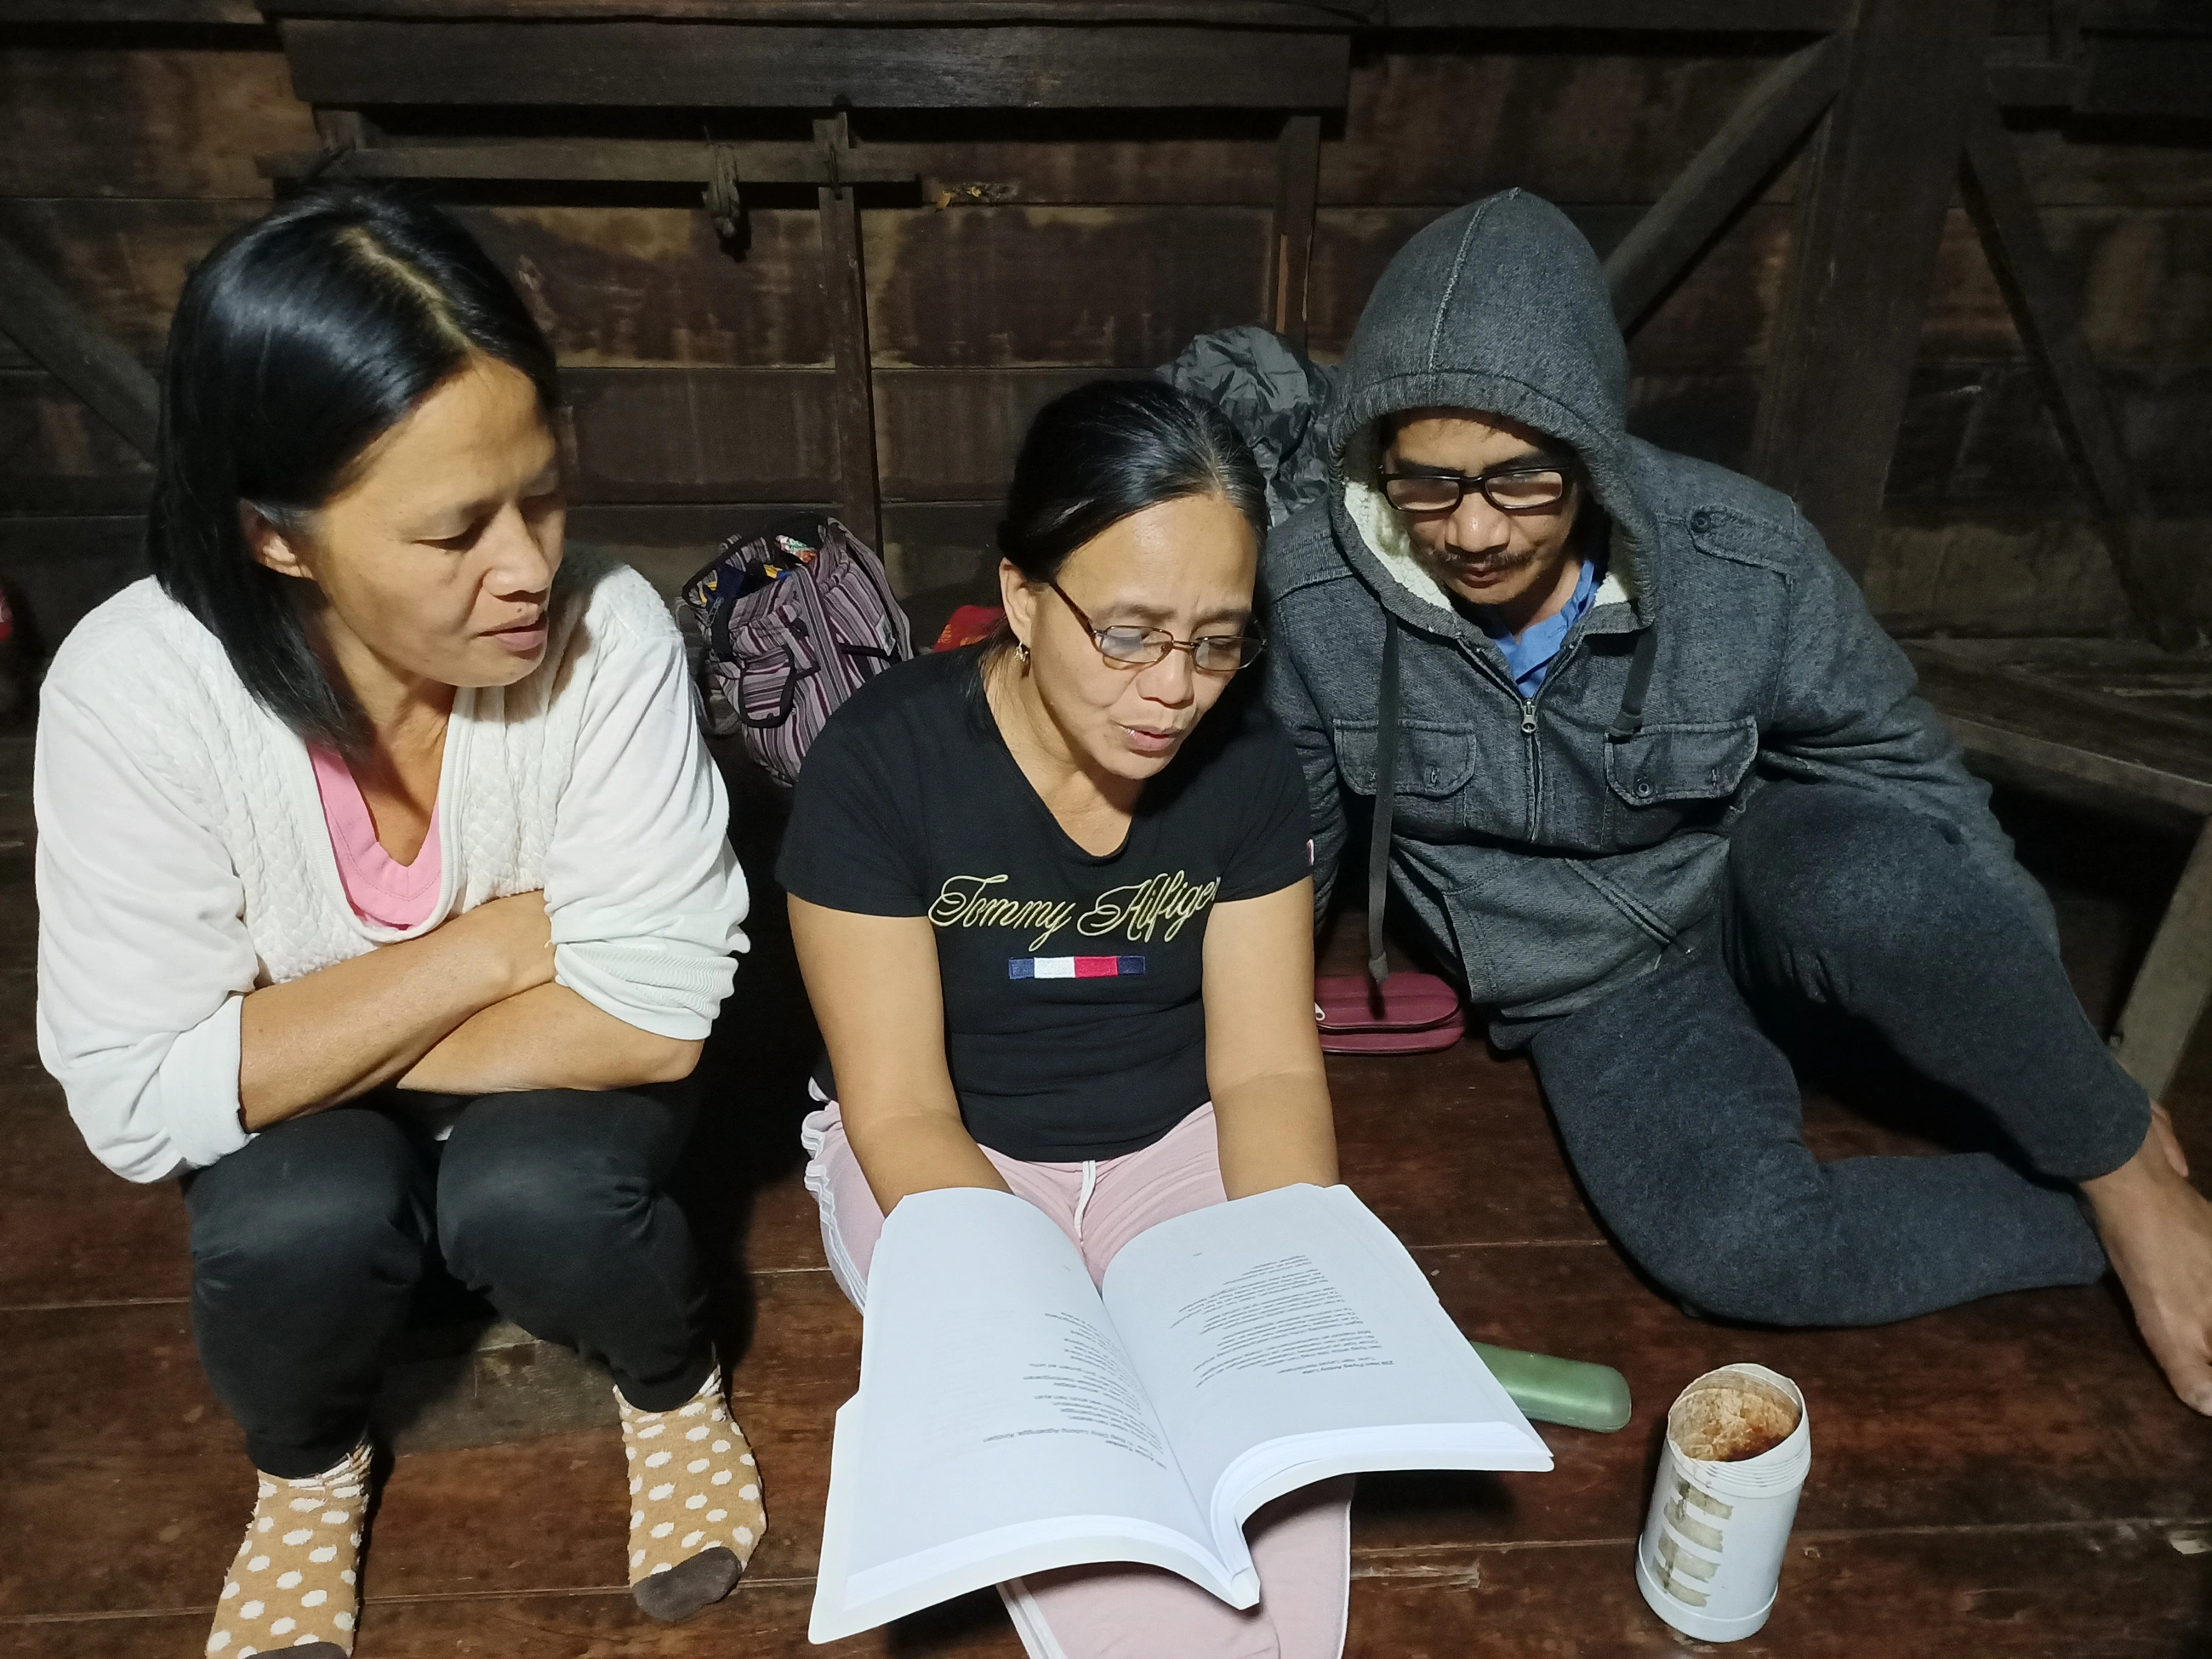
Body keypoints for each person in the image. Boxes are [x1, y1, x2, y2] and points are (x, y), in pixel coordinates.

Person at [1258, 189, 2212, 1414]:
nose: (1475, 530)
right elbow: (1287, 850)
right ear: (1379, 457)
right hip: (1595, 981)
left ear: (1591, 448)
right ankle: (2116, 1219)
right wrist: (1218, 1057)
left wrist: (2052, 1057)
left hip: (1767, 881)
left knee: (1878, 881)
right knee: (1739, 1249)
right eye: (1429, 485)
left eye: (1521, 478)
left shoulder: (1744, 556)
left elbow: (1909, 777)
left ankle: (2124, 1162)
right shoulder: (1313, 595)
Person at [34, 188, 764, 1659]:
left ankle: (671, 1382)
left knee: (541, 1193)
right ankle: (307, 1467)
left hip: (506, 1107)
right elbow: (130, 1099)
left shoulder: (608, 634)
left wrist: (276, 1036)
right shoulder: (135, 694)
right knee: (293, 1221)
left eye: (542, 493)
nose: (531, 566)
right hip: (407, 1092)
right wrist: (487, 947)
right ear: (278, 538)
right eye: (453, 531)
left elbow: (659, 1010)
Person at [778, 379, 1354, 1659]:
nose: (1175, 690)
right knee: (1075, 1451)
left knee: (1279, 1483)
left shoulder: (1250, 763)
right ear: (1025, 596)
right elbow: (899, 1104)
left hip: (1176, 1136)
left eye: (1218, 641)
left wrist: (1287, 1279)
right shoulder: (883, 767)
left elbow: (1265, 1071)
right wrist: (1045, 1314)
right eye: (1129, 634)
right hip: (951, 1153)